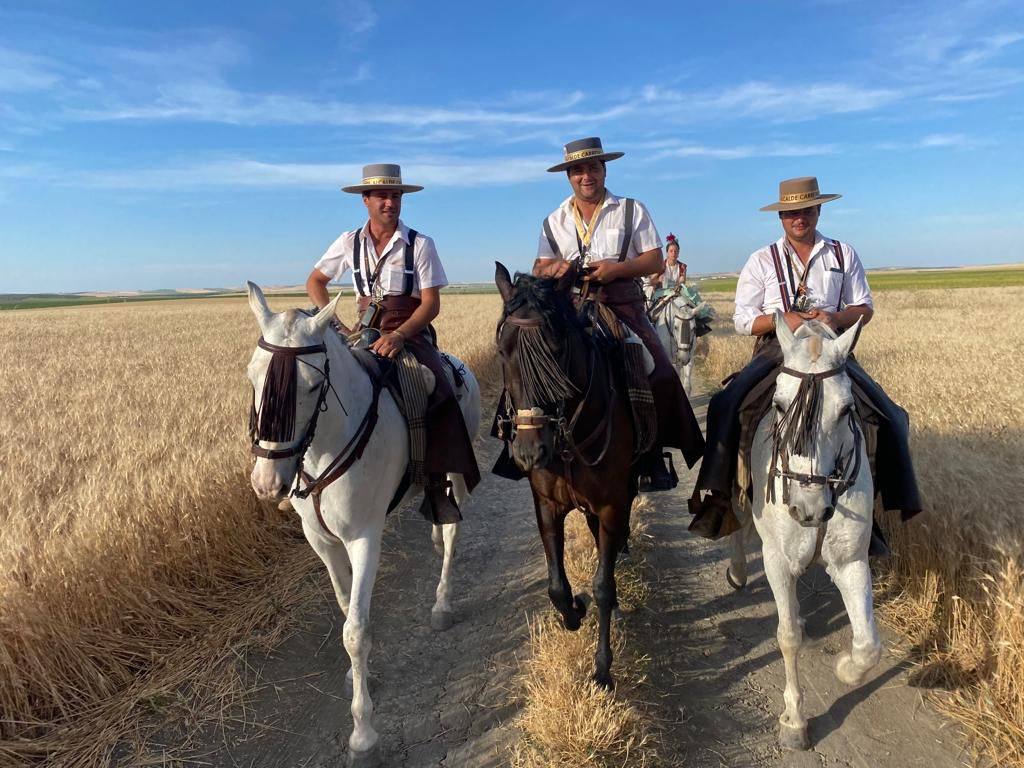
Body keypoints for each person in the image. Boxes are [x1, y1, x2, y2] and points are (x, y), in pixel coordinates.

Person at [689, 176, 922, 544]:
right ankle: (720, 499)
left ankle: (878, 510)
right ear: (781, 217)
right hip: (776, 350)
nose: (799, 217)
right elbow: (743, 320)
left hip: (831, 351)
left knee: (890, 415)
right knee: (725, 404)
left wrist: (836, 318)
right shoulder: (761, 259)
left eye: (806, 209)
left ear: (818, 209)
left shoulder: (842, 254)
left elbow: (865, 308)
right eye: (791, 212)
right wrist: (787, 320)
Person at [306, 164, 480, 523]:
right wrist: (336, 325)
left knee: (437, 387)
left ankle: (436, 482)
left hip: (410, 333)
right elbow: (315, 282)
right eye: (382, 196)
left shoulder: (420, 244)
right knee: (320, 385)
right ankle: (304, 475)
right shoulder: (347, 242)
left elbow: (431, 303)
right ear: (365, 200)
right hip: (364, 333)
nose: (390, 202)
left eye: (395, 196)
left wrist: (400, 335)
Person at [532, 137, 705, 490]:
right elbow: (539, 266)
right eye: (577, 170)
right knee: (533, 369)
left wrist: (617, 269)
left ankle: (653, 454)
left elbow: (654, 260)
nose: (586, 176)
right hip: (573, 310)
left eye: (592, 167)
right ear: (568, 176)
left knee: (660, 371)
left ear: (604, 169)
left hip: (622, 305)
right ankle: (533, 452)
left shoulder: (631, 209)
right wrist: (559, 268)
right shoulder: (554, 221)